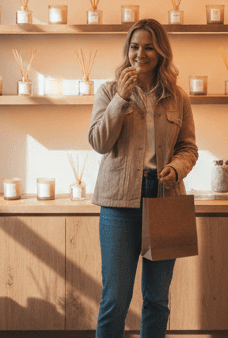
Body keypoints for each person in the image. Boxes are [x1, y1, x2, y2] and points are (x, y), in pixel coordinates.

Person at [88, 18, 198, 338]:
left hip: (166, 199)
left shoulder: (178, 96)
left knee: (157, 300)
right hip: (118, 204)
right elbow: (99, 142)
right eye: (135, 46)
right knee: (115, 300)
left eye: (149, 46)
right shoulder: (109, 91)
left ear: (161, 51)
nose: (141, 53)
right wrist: (121, 99)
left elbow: (188, 147)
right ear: (127, 50)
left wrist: (176, 168)